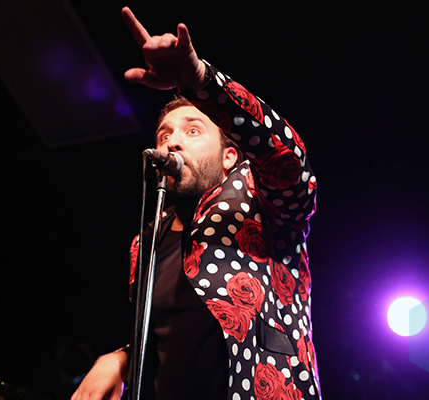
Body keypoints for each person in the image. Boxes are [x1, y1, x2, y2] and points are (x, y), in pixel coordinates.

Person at [71, 6, 320, 400]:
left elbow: (285, 156)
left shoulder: (262, 205)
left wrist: (199, 81)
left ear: (229, 156)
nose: (173, 141)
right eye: (164, 134)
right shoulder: (146, 242)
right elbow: (169, 340)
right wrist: (122, 358)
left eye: (193, 130)